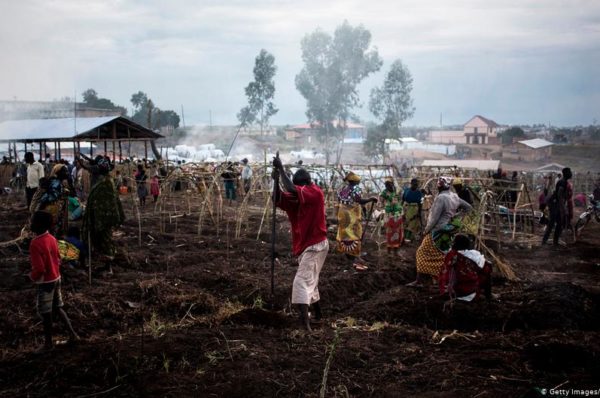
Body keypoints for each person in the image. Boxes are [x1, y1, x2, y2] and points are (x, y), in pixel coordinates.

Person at [272, 156, 328, 332]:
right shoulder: (297, 198)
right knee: (311, 280)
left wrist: (281, 169)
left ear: (305, 184)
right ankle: (318, 316)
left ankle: (306, 327)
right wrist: (275, 181)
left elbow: (290, 188)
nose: (296, 190)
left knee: (300, 282)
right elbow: (277, 198)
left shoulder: (314, 192)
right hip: (306, 246)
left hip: (316, 245)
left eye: (298, 187)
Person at [408, 177, 473, 287]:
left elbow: (434, 218)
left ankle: (419, 281)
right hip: (448, 231)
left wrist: (426, 230)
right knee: (442, 254)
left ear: (440, 186)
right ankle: (442, 278)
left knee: (421, 253)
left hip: (437, 231)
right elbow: (469, 207)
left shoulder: (441, 198)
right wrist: (455, 217)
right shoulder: (454, 196)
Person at [29, 211, 78, 351]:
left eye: (33, 222)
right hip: (56, 278)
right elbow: (58, 258)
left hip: (46, 283)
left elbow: (39, 269)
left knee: (46, 313)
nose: (31, 224)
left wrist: (31, 277)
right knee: (58, 307)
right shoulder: (51, 238)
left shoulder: (35, 244)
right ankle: (73, 334)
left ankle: (48, 344)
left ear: (38, 225)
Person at [82, 155, 124, 262]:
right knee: (104, 238)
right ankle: (106, 258)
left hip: (104, 217)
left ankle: (108, 261)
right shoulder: (105, 181)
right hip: (103, 217)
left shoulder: (105, 183)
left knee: (105, 239)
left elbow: (107, 202)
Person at [335, 171, 377, 267]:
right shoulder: (356, 188)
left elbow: (339, 201)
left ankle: (348, 254)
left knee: (345, 233)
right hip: (351, 214)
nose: (359, 183)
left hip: (342, 213)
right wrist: (370, 199)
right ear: (355, 181)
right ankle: (353, 256)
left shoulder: (342, 188)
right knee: (354, 233)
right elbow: (359, 201)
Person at [438, 234, 492, 302]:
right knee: (487, 266)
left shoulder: (449, 255)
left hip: (446, 292)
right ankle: (488, 295)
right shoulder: (472, 255)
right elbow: (486, 268)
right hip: (467, 294)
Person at [30, 164, 70, 237]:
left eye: (67, 171)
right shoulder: (56, 182)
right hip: (51, 208)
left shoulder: (58, 182)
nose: (67, 173)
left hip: (52, 208)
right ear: (58, 173)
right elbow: (49, 197)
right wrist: (61, 195)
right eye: (64, 171)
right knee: (52, 226)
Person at [542, 167, 573, 247]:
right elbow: (559, 195)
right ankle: (544, 242)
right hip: (554, 204)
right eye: (569, 172)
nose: (571, 173)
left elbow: (562, 196)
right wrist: (563, 208)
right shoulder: (562, 182)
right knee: (552, 223)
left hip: (557, 204)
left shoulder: (565, 182)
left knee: (559, 223)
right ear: (566, 173)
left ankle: (555, 242)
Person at [379, 177, 403, 255]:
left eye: (389, 184)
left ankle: (395, 250)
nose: (387, 186)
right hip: (389, 215)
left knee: (397, 232)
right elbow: (380, 203)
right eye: (386, 185)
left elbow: (400, 201)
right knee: (389, 232)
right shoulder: (384, 193)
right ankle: (389, 250)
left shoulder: (397, 191)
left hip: (398, 215)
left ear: (392, 184)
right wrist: (384, 208)